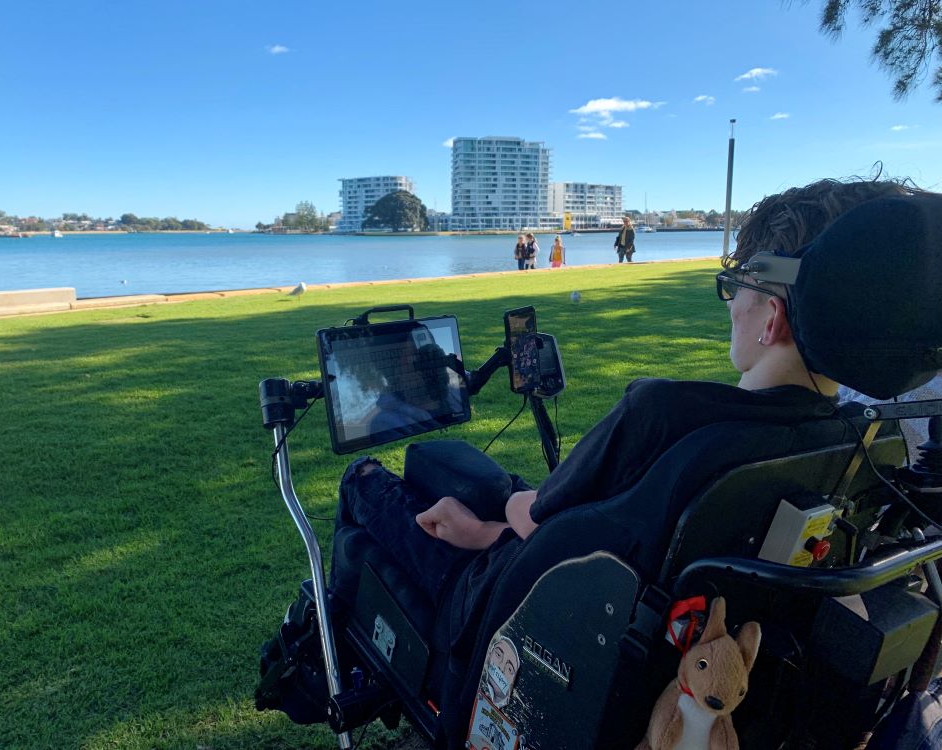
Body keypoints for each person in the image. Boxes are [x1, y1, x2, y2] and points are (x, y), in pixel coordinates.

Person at [322, 175, 935, 738]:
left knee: (368, 481)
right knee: (463, 477)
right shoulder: (865, 449)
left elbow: (540, 520)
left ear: (771, 316)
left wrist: (490, 520)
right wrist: (490, 525)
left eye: (736, 287)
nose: (731, 305)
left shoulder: (666, 415)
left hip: (512, 611)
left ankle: (331, 668)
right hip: (646, 635)